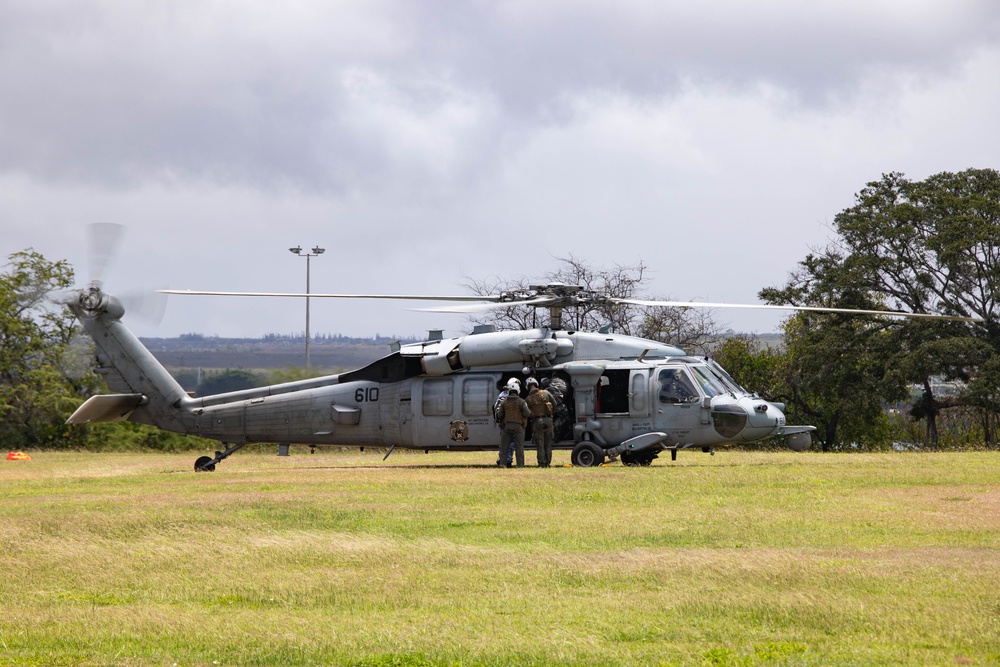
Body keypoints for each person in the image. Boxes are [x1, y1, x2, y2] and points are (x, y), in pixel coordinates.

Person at [525, 377, 556, 467]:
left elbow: (527, 412)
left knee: (540, 444)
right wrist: (550, 415)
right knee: (548, 444)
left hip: (538, 422)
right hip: (549, 420)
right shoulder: (546, 393)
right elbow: (554, 404)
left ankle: (542, 463)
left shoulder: (528, 399)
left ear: (528, 387)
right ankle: (548, 463)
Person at [497, 386, 529, 467]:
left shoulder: (504, 402)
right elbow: (527, 413)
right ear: (518, 391)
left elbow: (499, 415)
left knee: (504, 448)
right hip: (518, 427)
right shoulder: (521, 401)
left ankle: (502, 464)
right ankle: (520, 465)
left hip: (507, 427)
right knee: (519, 447)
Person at [494, 378, 521, 466]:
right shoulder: (508, 397)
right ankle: (507, 460)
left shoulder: (502, 395)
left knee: (504, 442)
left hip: (503, 422)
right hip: (508, 423)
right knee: (511, 442)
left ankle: (502, 459)